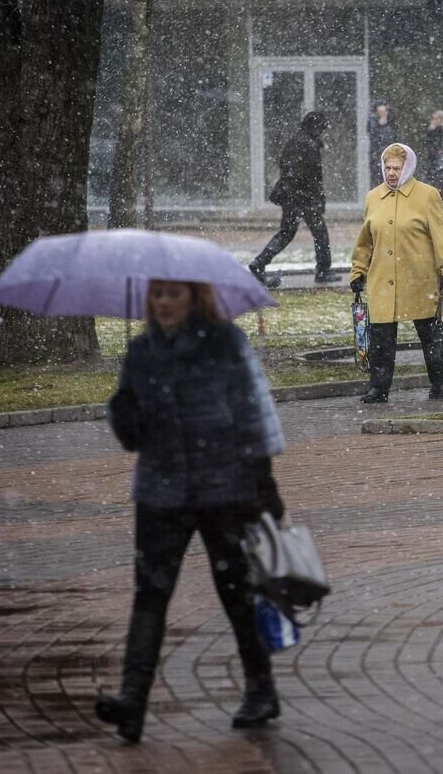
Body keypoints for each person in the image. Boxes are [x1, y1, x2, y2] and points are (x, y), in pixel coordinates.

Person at [97, 279, 288, 741]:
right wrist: (122, 412)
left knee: (236, 590)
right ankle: (133, 703)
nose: (163, 302)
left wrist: (263, 482)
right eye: (156, 294)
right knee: (150, 595)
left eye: (173, 293)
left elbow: (252, 410)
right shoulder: (141, 351)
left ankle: (261, 688)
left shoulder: (225, 342)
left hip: (224, 486)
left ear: (193, 296)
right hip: (161, 492)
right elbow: (133, 438)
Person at [349, 142, 443, 403]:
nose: (391, 173)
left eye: (396, 168)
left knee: (430, 336)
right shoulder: (373, 198)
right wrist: (358, 270)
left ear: (407, 167)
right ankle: (379, 388)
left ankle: (438, 383)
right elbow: (365, 241)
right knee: (381, 340)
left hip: (419, 279)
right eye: (387, 168)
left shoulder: (428, 195)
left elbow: (439, 237)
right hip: (381, 281)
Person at [250, 111, 339, 287]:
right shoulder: (308, 145)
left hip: (292, 197)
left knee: (286, 233)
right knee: (320, 233)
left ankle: (259, 263)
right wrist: (316, 199)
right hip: (304, 198)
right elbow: (313, 176)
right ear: (316, 127)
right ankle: (323, 270)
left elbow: (287, 167)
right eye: (321, 128)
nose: (322, 131)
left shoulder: (295, 141)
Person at [366, 100, 399, 177]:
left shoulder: (392, 127)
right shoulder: (373, 125)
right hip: (377, 160)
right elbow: (374, 136)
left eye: (384, 112)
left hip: (390, 159)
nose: (383, 114)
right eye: (380, 112)